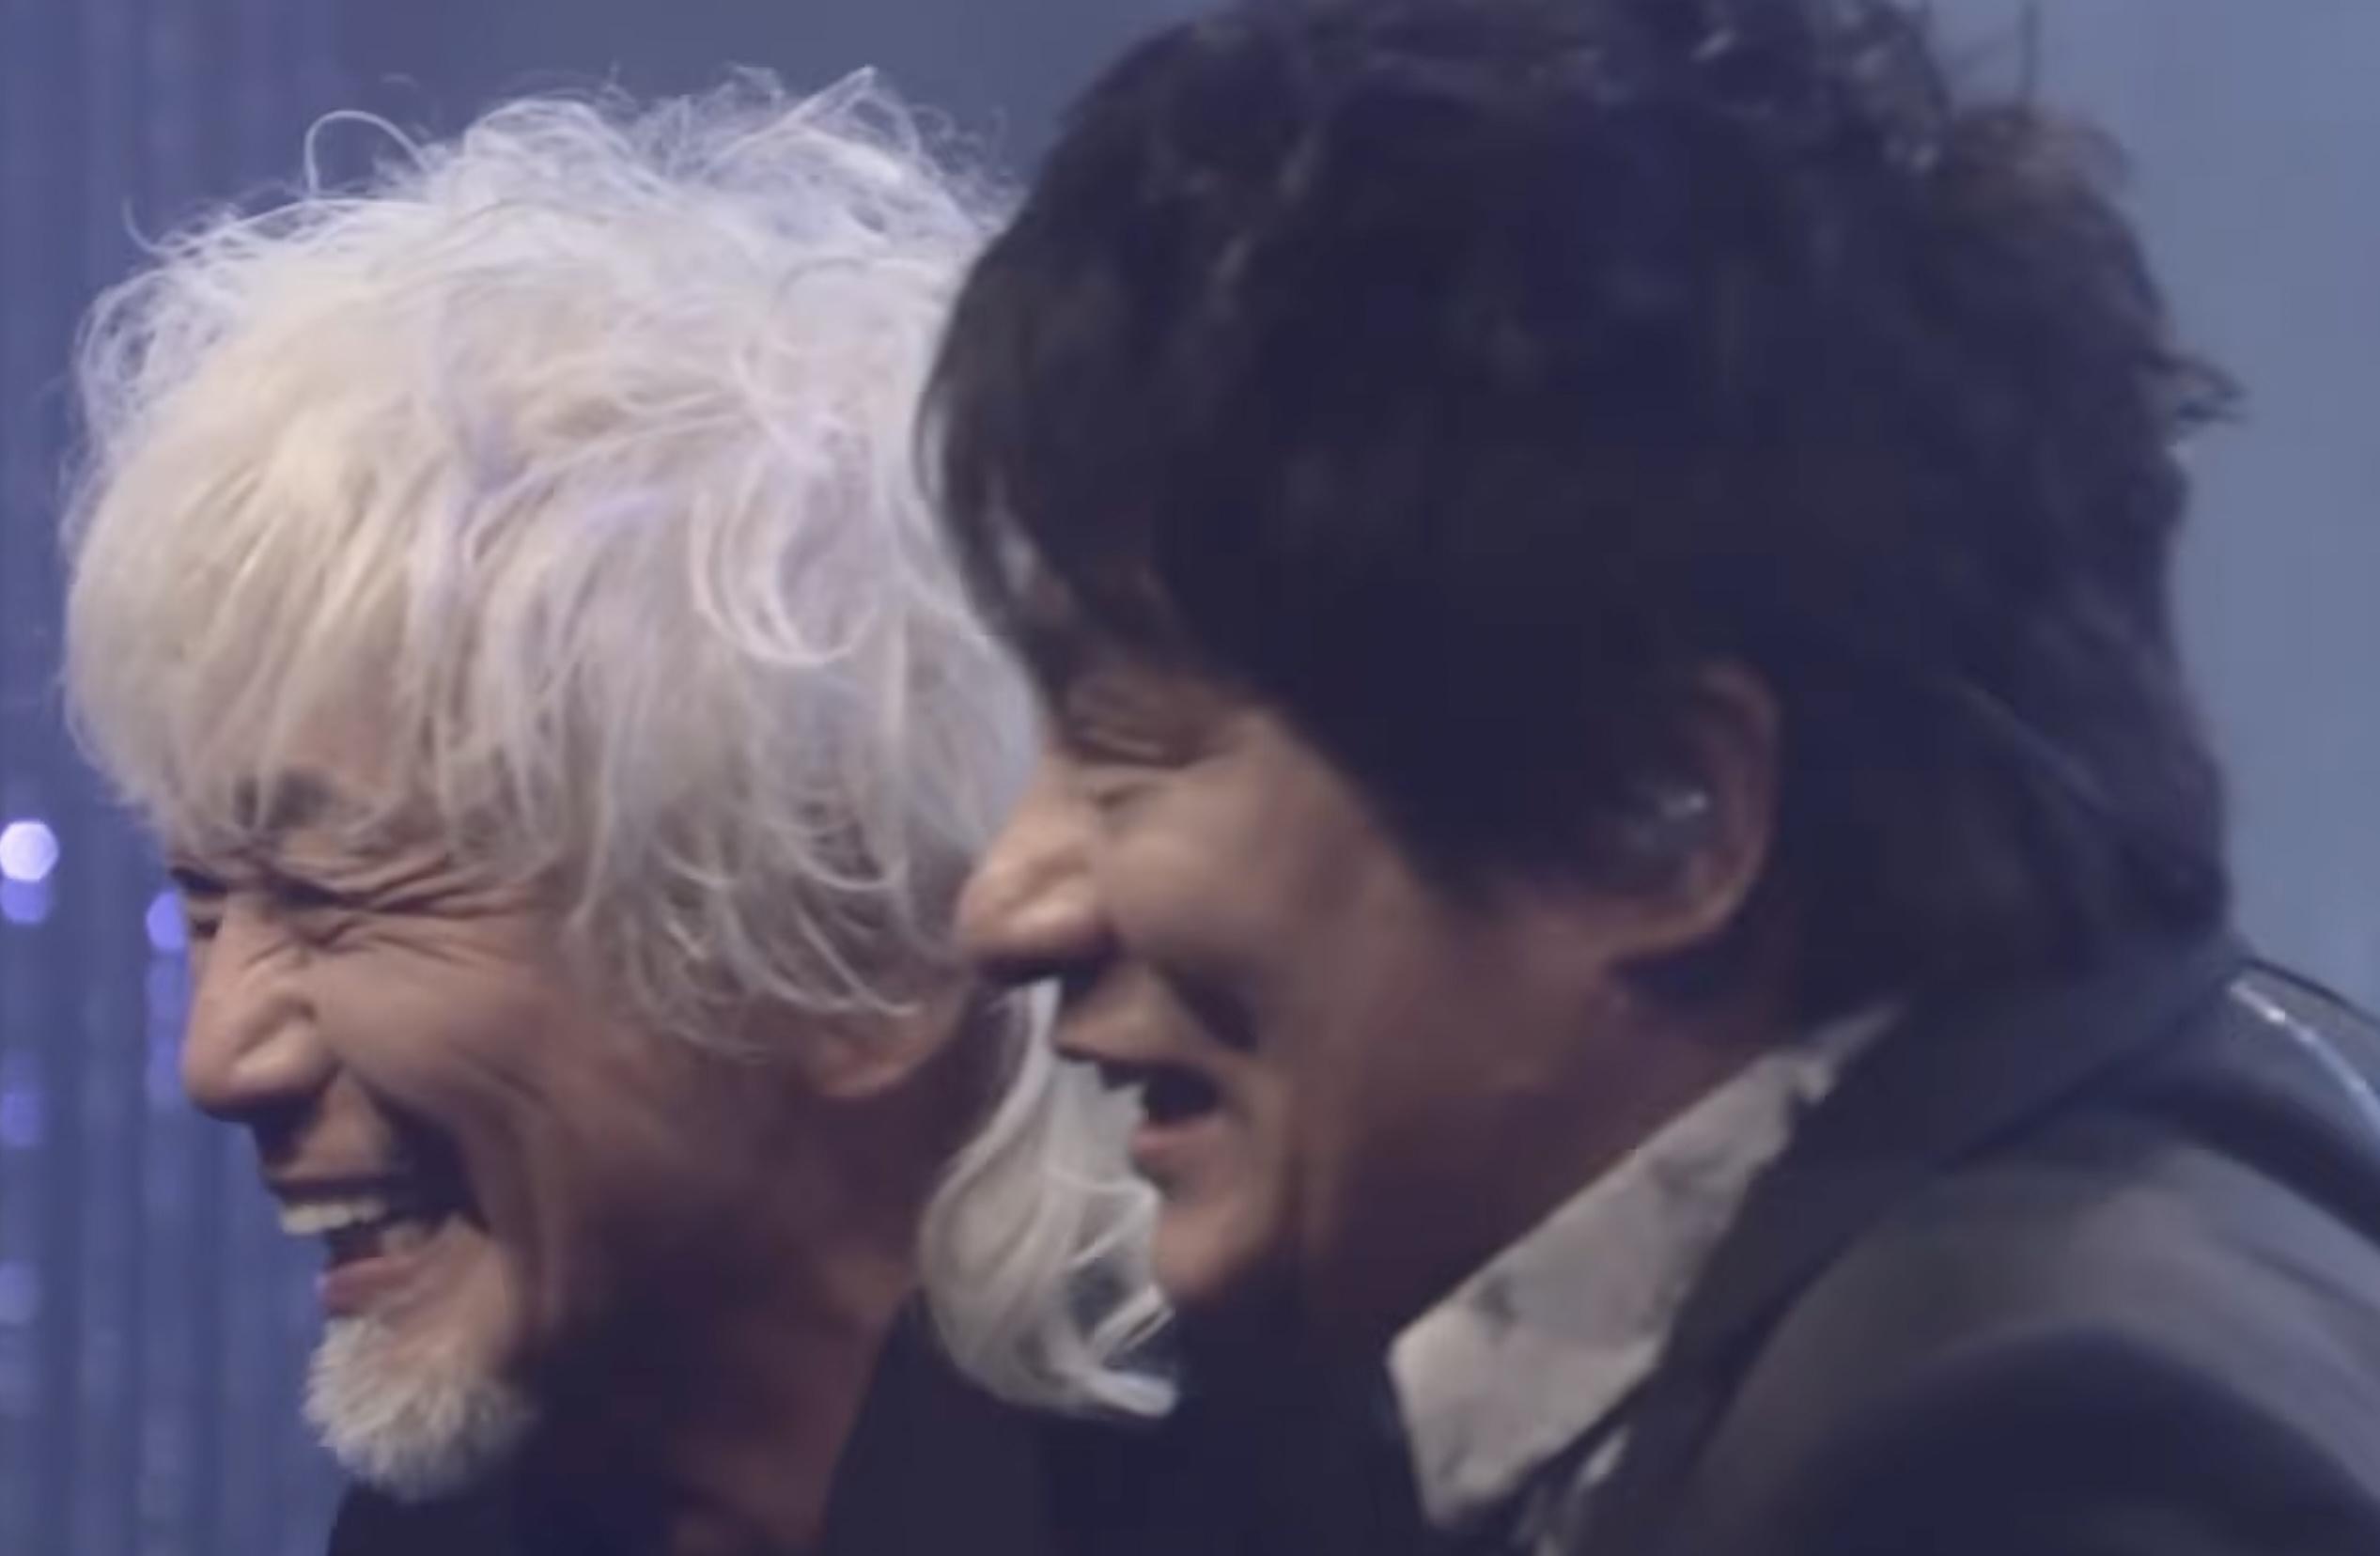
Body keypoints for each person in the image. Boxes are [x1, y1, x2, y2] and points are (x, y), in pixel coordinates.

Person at [928, 0, 2380, 1551]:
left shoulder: (2020, 1469)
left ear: (1654, 813)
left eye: (1129, 741)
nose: (1003, 905)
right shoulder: (2160, 1207)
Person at [59, 74, 1171, 1556]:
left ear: (848, 938)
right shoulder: (434, 1538)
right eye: (204, 903)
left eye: (330, 897)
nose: (219, 1057)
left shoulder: (1310, 1493)